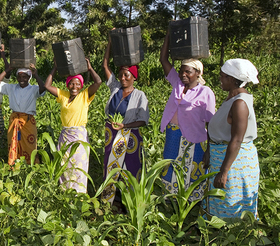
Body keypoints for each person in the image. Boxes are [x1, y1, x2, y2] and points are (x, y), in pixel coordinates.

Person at [159, 29, 215, 201]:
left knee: (192, 170)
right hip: (173, 134)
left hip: (194, 138)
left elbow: (211, 122)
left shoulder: (205, 92)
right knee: (170, 167)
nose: (183, 75)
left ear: (198, 73)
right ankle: (169, 201)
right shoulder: (177, 83)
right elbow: (163, 60)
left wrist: (210, 149)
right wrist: (169, 35)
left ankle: (191, 204)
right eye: (182, 71)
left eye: (188, 72)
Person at [205, 59, 260, 218]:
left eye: (222, 76)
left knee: (230, 202)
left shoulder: (240, 103)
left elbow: (236, 140)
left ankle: (231, 236)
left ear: (232, 79)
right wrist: (209, 150)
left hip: (234, 164)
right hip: (222, 157)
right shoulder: (231, 98)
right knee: (220, 200)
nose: (220, 79)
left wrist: (224, 171)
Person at [102, 36, 150, 208]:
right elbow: (105, 66)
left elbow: (143, 121)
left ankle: (129, 203)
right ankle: (110, 202)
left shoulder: (139, 95)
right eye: (121, 74)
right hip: (112, 134)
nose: (122, 78)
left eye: (126, 75)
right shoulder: (115, 89)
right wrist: (110, 41)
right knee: (111, 167)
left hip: (130, 137)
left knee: (129, 169)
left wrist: (125, 126)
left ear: (133, 77)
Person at [44, 58, 101, 193]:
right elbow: (47, 86)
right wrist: (55, 68)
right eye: (71, 84)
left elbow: (98, 82)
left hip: (79, 137)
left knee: (79, 166)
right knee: (65, 165)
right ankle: (65, 193)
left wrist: (90, 69)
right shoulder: (63, 95)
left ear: (81, 86)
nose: (74, 87)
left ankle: (79, 195)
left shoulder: (85, 95)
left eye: (77, 84)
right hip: (65, 136)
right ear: (67, 85)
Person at [0, 63, 46, 165]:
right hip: (14, 119)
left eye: (24, 76)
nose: (21, 79)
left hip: (28, 121)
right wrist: (7, 69)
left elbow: (43, 88)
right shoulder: (11, 88)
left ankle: (31, 166)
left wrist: (36, 74)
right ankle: (14, 165)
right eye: (19, 76)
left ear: (29, 78)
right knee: (14, 143)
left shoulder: (33, 89)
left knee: (30, 145)